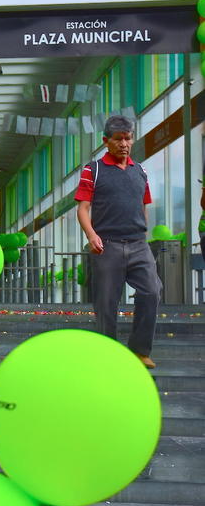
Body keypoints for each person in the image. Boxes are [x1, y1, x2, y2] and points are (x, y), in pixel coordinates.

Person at [75, 114, 160, 369]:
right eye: (118, 139)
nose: (124, 144)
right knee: (106, 303)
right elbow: (83, 208)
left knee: (152, 291)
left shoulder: (140, 171)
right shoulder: (93, 170)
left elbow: (143, 205)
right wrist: (91, 235)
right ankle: (108, 353)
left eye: (128, 138)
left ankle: (140, 350)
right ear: (106, 141)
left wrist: (143, 234)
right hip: (107, 245)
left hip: (138, 244)